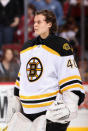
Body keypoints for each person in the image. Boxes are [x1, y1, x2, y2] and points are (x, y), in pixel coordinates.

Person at [14, 10, 85, 131]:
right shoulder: (26, 47)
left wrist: (70, 107)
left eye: (39, 22)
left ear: (49, 24)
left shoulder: (61, 45)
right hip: (26, 113)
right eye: (34, 22)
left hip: (50, 113)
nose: (34, 25)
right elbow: (22, 78)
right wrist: (16, 98)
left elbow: (70, 78)